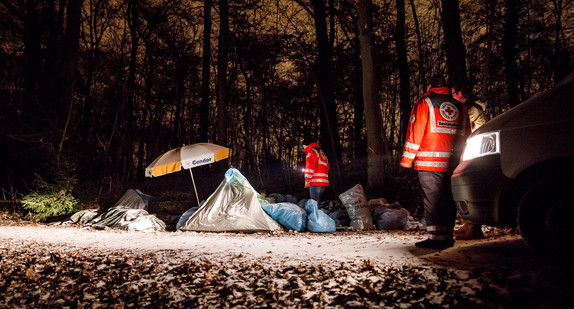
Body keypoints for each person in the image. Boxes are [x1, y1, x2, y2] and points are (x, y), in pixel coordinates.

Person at [400, 75, 470, 250]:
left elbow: (415, 132)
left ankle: (436, 238)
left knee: (433, 199)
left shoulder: (425, 102)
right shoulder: (459, 105)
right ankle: (447, 235)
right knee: (448, 198)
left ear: (430, 85)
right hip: (452, 161)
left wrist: (407, 160)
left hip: (429, 160)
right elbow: (466, 134)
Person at [451, 83, 488, 239]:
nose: (451, 97)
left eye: (453, 94)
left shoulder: (471, 109)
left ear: (460, 93)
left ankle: (475, 228)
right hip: (473, 149)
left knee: (470, 187)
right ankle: (469, 224)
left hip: (475, 151)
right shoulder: (471, 107)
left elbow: (463, 128)